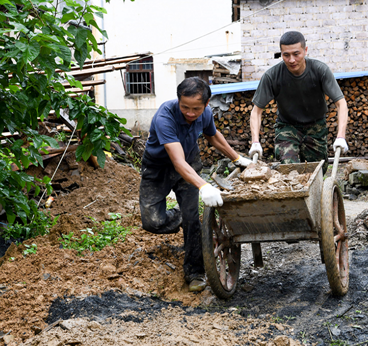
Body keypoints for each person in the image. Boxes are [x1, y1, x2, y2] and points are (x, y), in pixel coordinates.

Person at [139, 77, 252, 292]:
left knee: (193, 221)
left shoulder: (206, 114)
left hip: (189, 164)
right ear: (178, 100)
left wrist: (236, 158)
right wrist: (204, 185)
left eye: (196, 109)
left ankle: (195, 272)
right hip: (158, 169)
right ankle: (180, 216)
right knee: (152, 222)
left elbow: (213, 136)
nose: (190, 113)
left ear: (206, 105)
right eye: (185, 107)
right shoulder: (165, 117)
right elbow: (177, 161)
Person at [249, 31, 349, 174]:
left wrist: (340, 136)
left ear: (305, 50)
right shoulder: (272, 76)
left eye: (296, 54)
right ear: (281, 53)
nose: (291, 60)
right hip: (287, 127)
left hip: (315, 127)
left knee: (317, 172)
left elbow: (341, 103)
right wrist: (255, 141)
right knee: (290, 169)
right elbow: (256, 111)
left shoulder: (320, 70)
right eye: (286, 55)